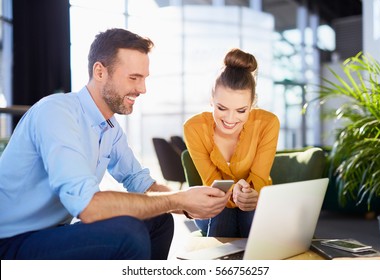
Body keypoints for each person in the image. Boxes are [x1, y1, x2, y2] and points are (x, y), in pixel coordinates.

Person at [0, 28, 231, 260]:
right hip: (10, 241)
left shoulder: (109, 127)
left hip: (51, 234)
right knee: (127, 234)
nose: (142, 89)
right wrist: (177, 199)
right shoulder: (56, 112)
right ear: (100, 71)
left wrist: (191, 201)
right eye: (134, 78)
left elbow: (140, 183)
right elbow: (89, 207)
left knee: (158, 220)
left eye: (144, 78)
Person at [183, 48, 280, 238]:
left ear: (252, 105)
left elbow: (259, 179)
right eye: (221, 108)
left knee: (249, 212)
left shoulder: (268, 123)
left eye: (241, 111)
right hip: (215, 203)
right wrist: (231, 194)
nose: (230, 119)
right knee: (221, 210)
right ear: (211, 101)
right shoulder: (194, 128)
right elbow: (211, 182)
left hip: (254, 201)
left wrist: (249, 195)